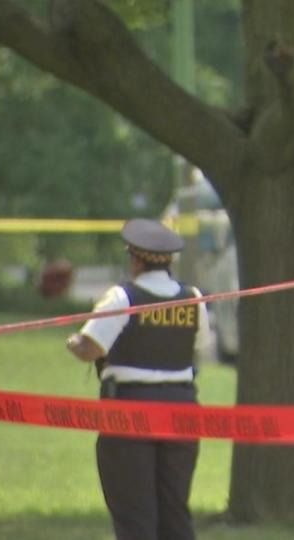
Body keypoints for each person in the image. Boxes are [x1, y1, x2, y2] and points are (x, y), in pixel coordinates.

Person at [66, 218, 210, 540]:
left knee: (135, 515)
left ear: (135, 258)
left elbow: (90, 349)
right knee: (175, 511)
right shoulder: (193, 298)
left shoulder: (122, 297)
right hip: (182, 410)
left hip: (129, 412)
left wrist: (73, 342)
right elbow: (200, 346)